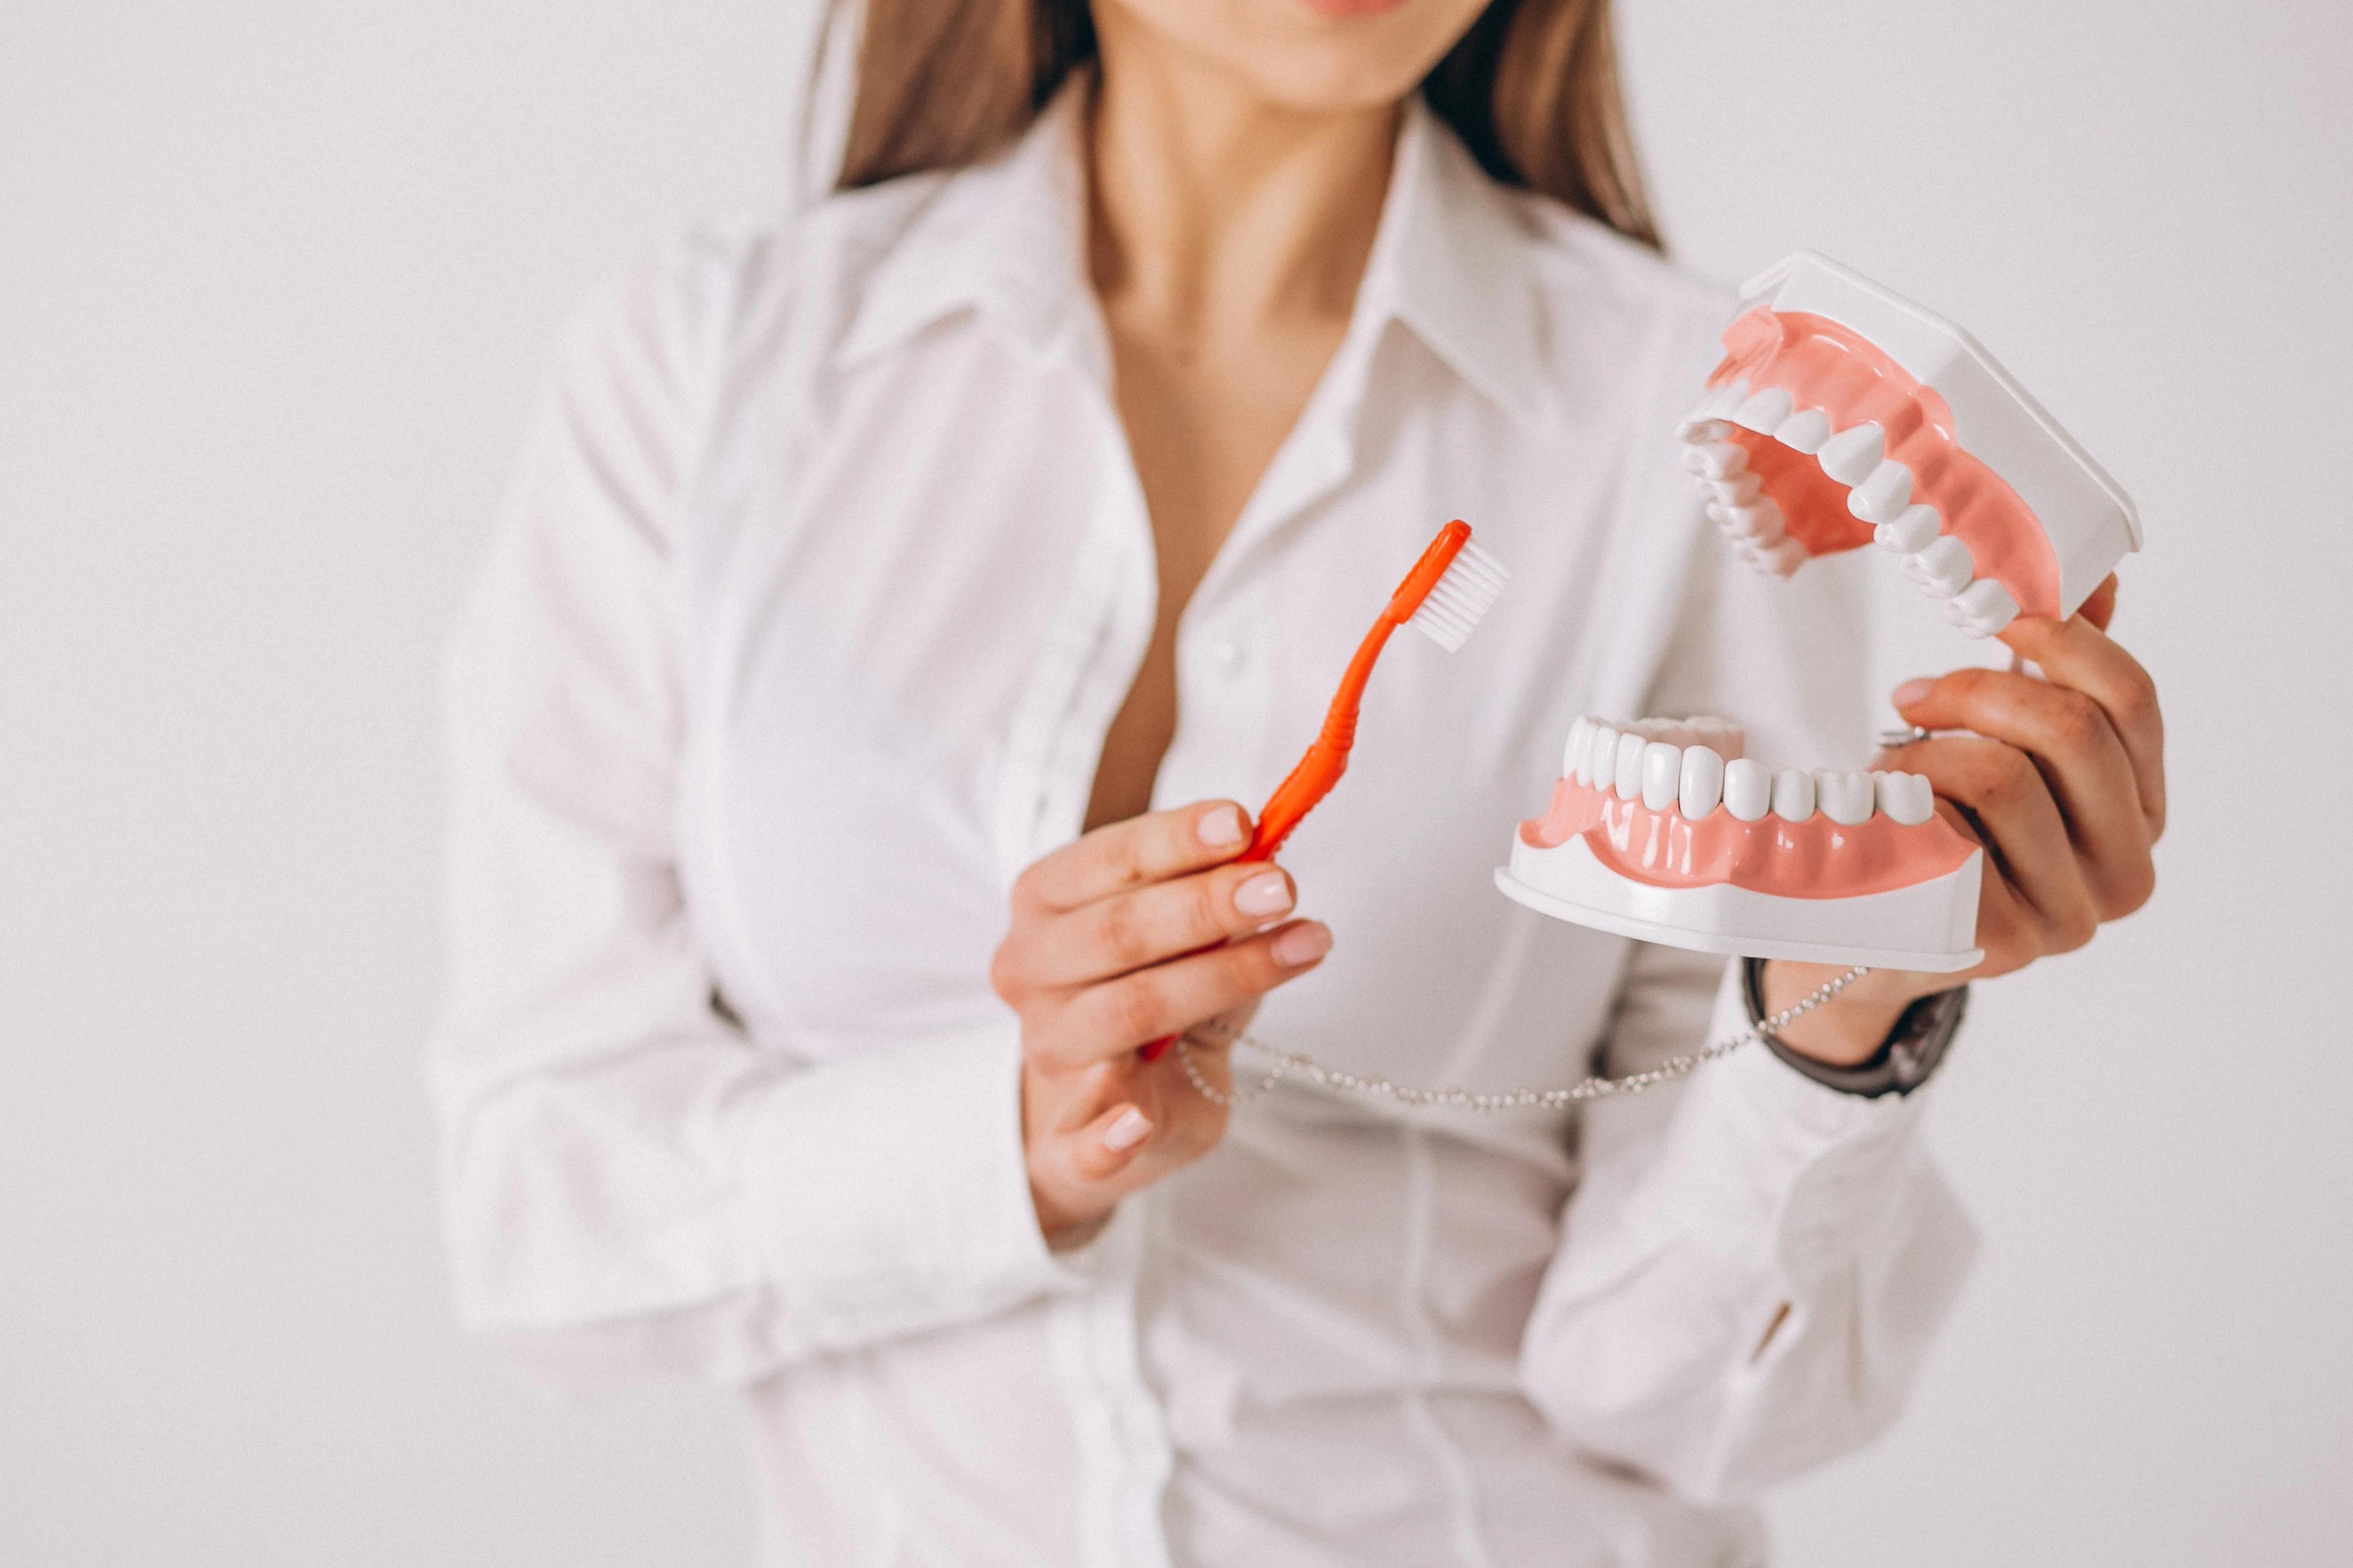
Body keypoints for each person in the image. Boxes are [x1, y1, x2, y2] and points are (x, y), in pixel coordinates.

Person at [430, 0, 2165, 1561]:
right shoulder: (706, 366)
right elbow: (542, 1229)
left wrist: (1834, 1012)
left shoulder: (1686, 420)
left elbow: (1686, 1406)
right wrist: (1014, 1144)